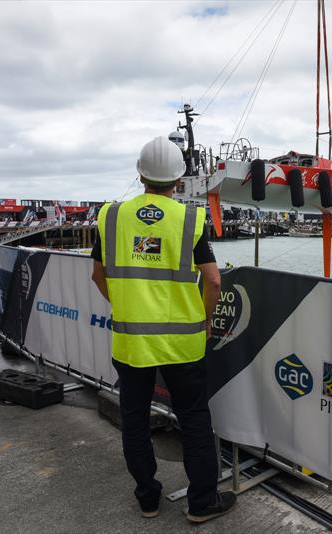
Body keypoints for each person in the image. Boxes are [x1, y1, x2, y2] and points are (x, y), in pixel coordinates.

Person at [91, 136, 235, 523]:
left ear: (140, 174)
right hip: (183, 343)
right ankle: (202, 503)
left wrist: (125, 306)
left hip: (131, 341)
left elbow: (97, 275)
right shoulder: (189, 218)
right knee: (193, 418)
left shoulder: (112, 216)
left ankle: (148, 499)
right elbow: (214, 280)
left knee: (134, 418)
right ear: (179, 177)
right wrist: (205, 319)